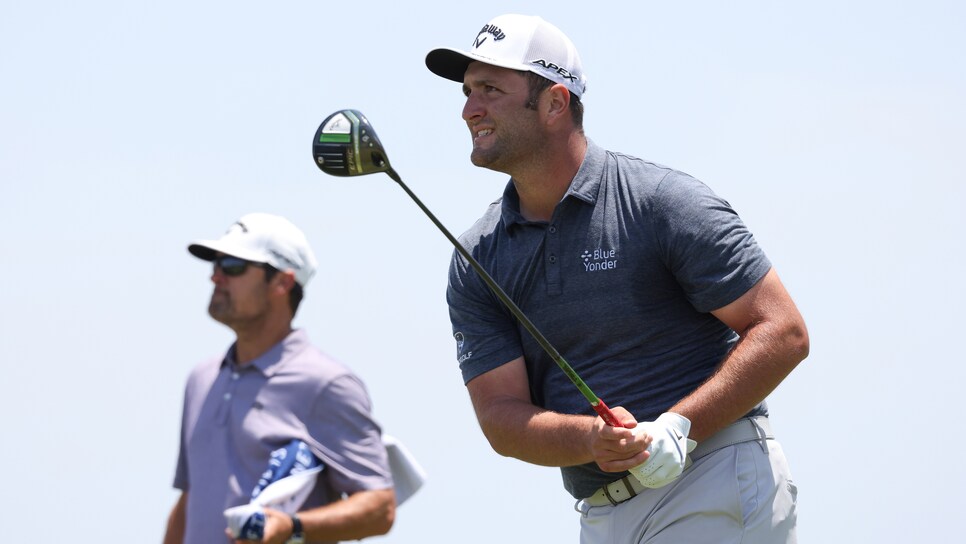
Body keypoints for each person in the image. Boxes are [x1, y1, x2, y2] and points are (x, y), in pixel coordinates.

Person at [425, 14, 809, 543]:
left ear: (555, 103)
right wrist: (591, 440)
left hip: (710, 477)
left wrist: (678, 426)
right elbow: (500, 414)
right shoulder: (479, 256)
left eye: (490, 89)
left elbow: (783, 331)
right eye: (468, 91)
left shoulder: (662, 203)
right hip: (600, 513)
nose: (470, 109)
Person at [163, 212, 396, 544]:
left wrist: (292, 526)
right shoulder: (201, 379)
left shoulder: (327, 383)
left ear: (283, 283)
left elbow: (379, 506)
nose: (216, 277)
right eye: (216, 265)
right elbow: (191, 499)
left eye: (232, 266)